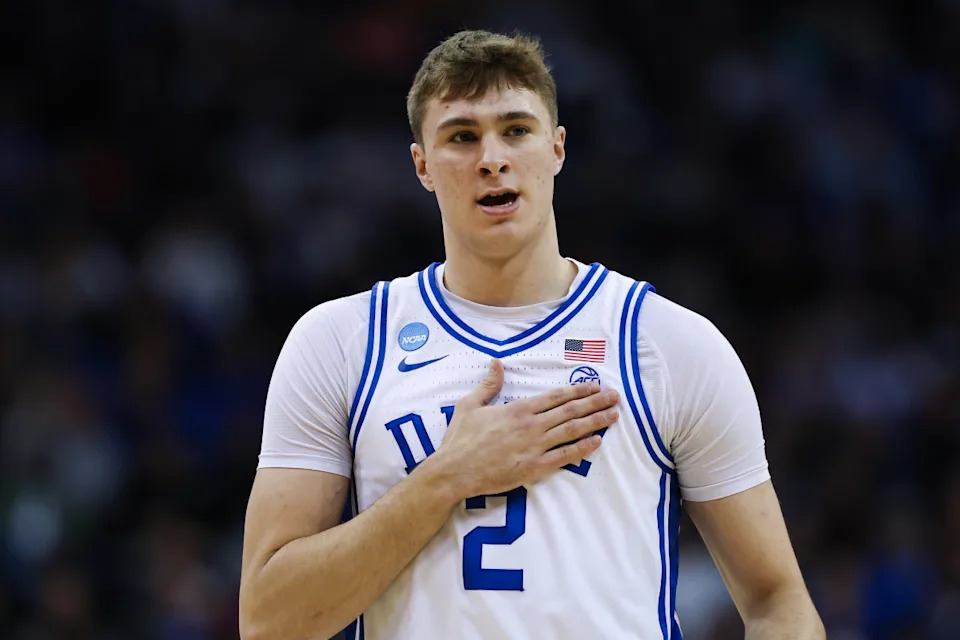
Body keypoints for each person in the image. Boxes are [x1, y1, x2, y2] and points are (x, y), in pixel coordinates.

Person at [238, 29, 825, 640]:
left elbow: (778, 601)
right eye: (462, 136)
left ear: (556, 149)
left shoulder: (670, 343)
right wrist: (448, 477)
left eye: (516, 129)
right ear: (422, 166)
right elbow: (268, 621)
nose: (492, 157)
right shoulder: (340, 342)